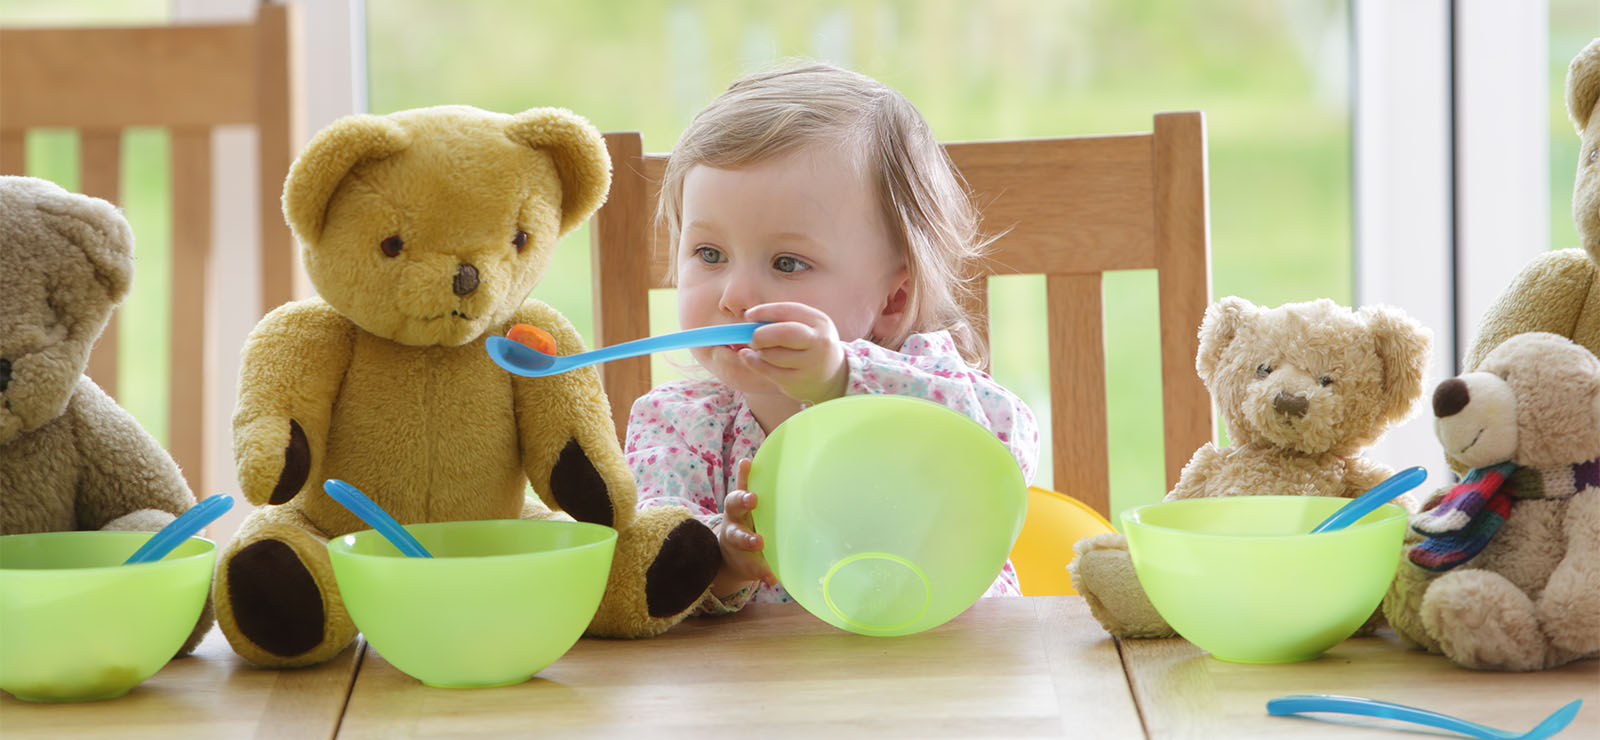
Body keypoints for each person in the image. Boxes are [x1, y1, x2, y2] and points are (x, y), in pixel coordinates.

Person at [626, 62, 1038, 614]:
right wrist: (720, 562)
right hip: (762, 692)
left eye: (787, 262)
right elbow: (647, 570)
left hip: (949, 674)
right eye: (709, 254)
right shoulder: (676, 425)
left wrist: (843, 380)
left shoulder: (928, 381)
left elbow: (1003, 450)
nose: (734, 296)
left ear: (892, 299)